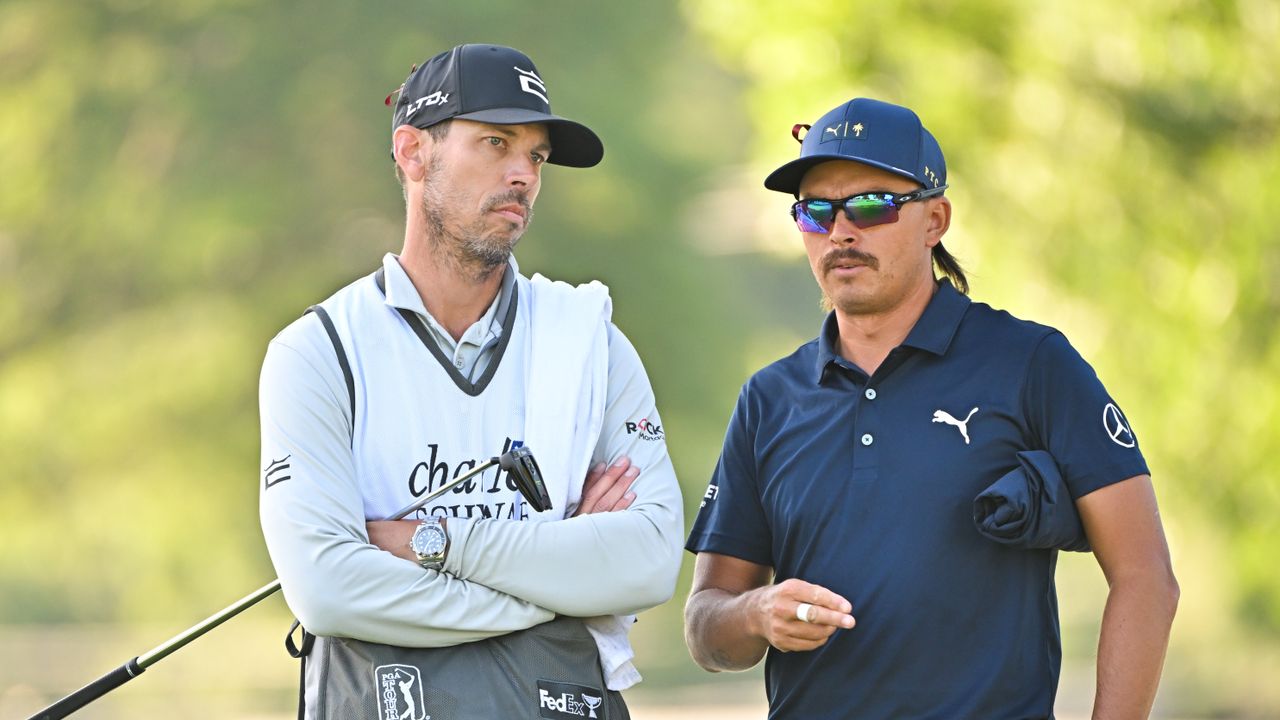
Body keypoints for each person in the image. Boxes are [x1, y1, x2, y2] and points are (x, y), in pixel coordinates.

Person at [683, 97, 1178, 719]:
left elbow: (1146, 578)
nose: (842, 231)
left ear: (935, 219)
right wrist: (756, 612)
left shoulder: (1032, 363)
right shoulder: (768, 400)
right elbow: (706, 629)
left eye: (871, 204)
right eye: (816, 212)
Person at [258, 43, 683, 720]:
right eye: (495, 143)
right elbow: (327, 589)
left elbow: (649, 562)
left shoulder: (591, 340)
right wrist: (561, 581)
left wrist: (431, 544)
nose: (523, 173)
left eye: (537, 156)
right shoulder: (317, 351)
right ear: (412, 154)